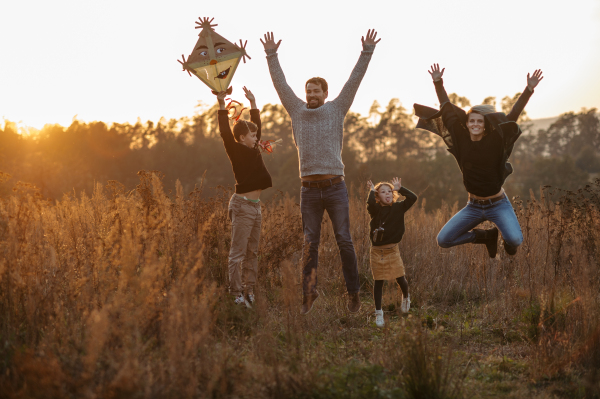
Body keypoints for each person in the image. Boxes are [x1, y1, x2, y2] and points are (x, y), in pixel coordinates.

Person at [260, 29, 381, 315]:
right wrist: (271, 54)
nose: (311, 95)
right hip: (309, 190)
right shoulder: (296, 110)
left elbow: (355, 81)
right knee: (309, 244)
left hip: (335, 186)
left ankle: (353, 294)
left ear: (326, 94)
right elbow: (281, 85)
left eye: (316, 91)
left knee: (344, 241)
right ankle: (309, 294)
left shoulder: (337, 108)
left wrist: (366, 51)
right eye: (309, 91)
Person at [414, 65, 544, 257]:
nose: (475, 124)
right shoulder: (461, 138)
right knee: (444, 240)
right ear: (466, 124)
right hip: (473, 206)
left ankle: (508, 243)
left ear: (484, 126)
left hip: (498, 204)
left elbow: (512, 117)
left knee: (515, 240)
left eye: (479, 121)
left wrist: (529, 90)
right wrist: (438, 82)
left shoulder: (494, 141)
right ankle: (484, 237)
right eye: (471, 121)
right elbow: (447, 109)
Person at [216, 87, 272, 307]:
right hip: (242, 206)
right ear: (241, 138)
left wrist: (254, 104)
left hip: (256, 207)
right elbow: (224, 131)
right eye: (252, 135)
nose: (256, 138)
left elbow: (257, 126)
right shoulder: (236, 150)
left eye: (256, 135)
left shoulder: (255, 149)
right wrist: (222, 106)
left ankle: (249, 292)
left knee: (252, 252)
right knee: (238, 253)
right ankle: (236, 294)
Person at [367, 178, 417, 327]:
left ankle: (406, 298)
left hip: (392, 249)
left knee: (400, 278)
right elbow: (369, 204)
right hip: (377, 252)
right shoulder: (375, 210)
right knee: (378, 282)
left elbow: (413, 198)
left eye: (389, 191)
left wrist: (399, 189)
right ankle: (379, 314)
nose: (387, 194)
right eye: (383, 192)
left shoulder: (399, 207)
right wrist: (371, 191)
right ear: (377, 196)